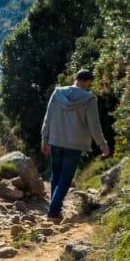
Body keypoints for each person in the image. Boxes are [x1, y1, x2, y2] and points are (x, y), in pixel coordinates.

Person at [40, 68, 111, 220]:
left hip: (56, 141)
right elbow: (94, 126)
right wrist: (103, 145)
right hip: (75, 145)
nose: (88, 87)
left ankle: (55, 209)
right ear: (86, 81)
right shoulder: (89, 99)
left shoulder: (57, 93)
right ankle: (53, 211)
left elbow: (48, 118)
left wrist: (44, 139)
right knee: (65, 179)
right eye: (88, 84)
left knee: (56, 176)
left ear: (75, 78)